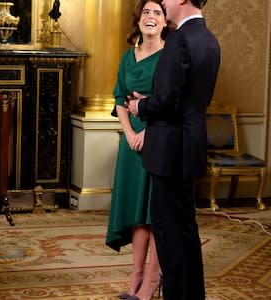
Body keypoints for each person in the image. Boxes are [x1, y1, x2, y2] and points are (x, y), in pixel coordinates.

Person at [127, 0, 220, 299]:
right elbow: (190, 98)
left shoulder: (179, 39)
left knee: (168, 235)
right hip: (190, 144)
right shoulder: (208, 38)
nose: (163, 2)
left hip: (168, 149)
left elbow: (166, 101)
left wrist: (139, 105)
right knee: (186, 232)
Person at [105, 1, 169, 299]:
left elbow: (173, 104)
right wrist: (130, 133)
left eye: (157, 12)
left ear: (166, 22)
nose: (151, 17)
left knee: (156, 211)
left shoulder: (171, 56)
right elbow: (120, 100)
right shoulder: (126, 57)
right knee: (137, 211)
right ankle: (137, 276)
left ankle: (153, 279)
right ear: (138, 19)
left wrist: (149, 131)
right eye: (146, 12)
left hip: (160, 139)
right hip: (131, 144)